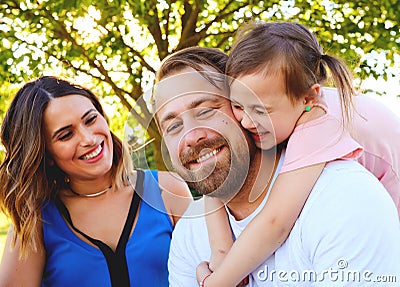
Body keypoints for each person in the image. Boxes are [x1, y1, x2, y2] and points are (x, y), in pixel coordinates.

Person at [153, 46, 400, 286]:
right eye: (173, 126)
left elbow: (275, 223)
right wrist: (221, 251)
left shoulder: (341, 196)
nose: (190, 136)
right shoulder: (188, 236)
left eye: (206, 110)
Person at [0, 76, 192, 286]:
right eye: (66, 135)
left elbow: (208, 272)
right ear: (46, 155)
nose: (89, 139)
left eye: (90, 119)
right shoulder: (36, 221)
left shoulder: (167, 189)